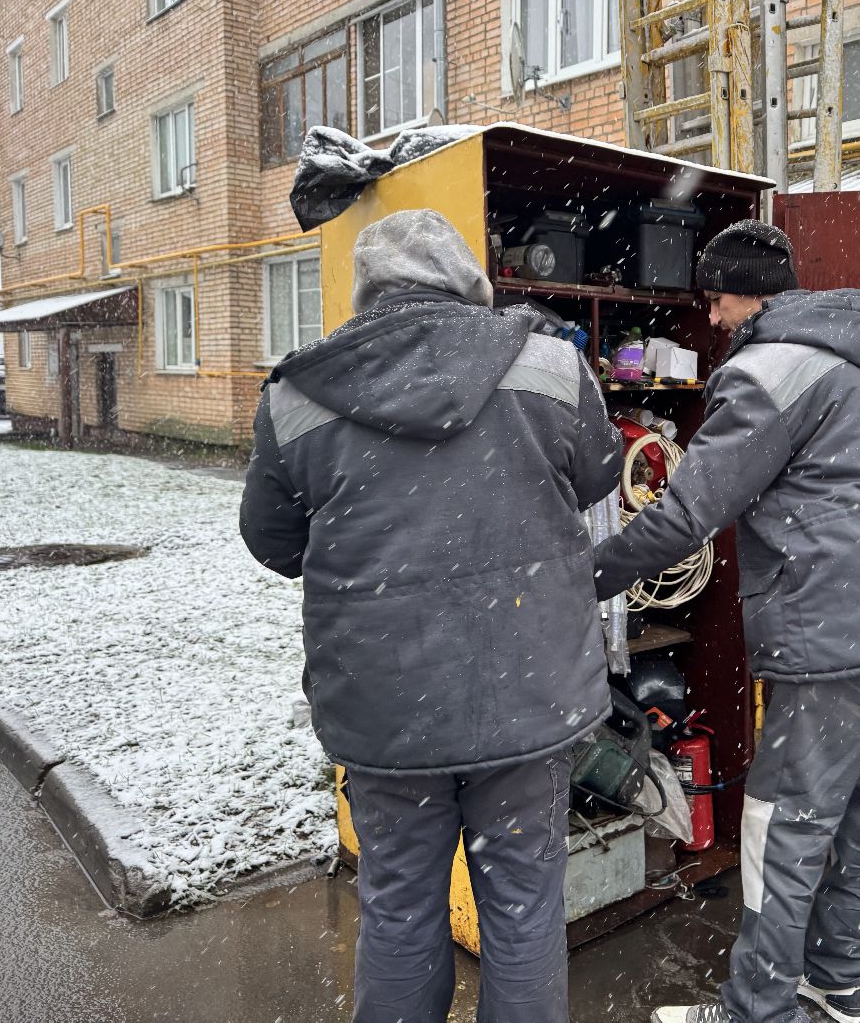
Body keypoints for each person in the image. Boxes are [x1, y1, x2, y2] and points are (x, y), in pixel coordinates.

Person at [592, 220, 860, 1023]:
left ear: (746, 292)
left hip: (844, 631)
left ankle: (755, 1012)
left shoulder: (766, 371)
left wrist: (588, 576)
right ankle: (839, 984)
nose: (712, 318)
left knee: (784, 825)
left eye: (716, 299)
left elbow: (688, 515)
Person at [240, 208, 621, 1023]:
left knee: (401, 908)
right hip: (527, 693)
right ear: (465, 279)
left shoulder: (298, 393)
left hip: (385, 708)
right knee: (522, 911)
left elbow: (271, 541)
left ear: (365, 291)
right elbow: (596, 477)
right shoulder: (549, 364)